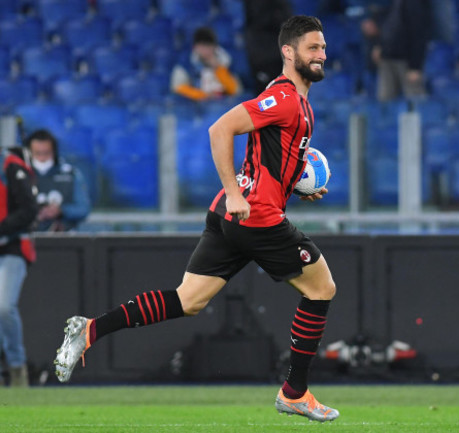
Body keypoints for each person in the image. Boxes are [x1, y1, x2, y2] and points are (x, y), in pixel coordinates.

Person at [54, 15, 339, 422]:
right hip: (254, 215)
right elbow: (220, 129)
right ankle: (294, 392)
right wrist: (241, 193)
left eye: (323, 47)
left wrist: (291, 184)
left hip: (228, 213)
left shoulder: (298, 102)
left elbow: (266, 161)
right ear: (288, 52)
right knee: (321, 289)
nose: (321, 55)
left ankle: (90, 330)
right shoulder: (286, 98)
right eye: (312, 48)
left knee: (188, 300)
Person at [0, 146, 38, 387]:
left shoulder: (10, 165)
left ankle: (17, 367)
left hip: (12, 246)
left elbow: (29, 210)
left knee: (3, 307)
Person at [25, 129, 91, 232]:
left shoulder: (71, 174)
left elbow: (83, 209)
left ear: (54, 152)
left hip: (64, 240)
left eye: (46, 153)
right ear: (29, 153)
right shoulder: (21, 176)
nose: (42, 158)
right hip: (27, 238)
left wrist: (61, 211)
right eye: (37, 153)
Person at [374, 0, 432, 101]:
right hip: (387, 57)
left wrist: (415, 66)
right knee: (385, 103)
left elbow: (419, 34)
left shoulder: (415, 3)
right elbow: (388, 26)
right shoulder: (393, 3)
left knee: (414, 103)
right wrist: (380, 46)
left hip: (406, 61)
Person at [170, 26, 242, 101]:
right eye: (202, 46)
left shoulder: (226, 61)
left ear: (214, 46)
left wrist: (219, 69)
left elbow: (236, 90)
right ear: (195, 47)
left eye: (208, 46)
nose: (205, 51)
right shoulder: (186, 62)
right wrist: (202, 95)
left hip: (224, 104)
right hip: (197, 106)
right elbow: (177, 87)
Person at [242, 0, 293, 95]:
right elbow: (257, 19)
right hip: (262, 55)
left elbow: (287, 20)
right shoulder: (255, 5)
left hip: (279, 55)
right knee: (264, 95)